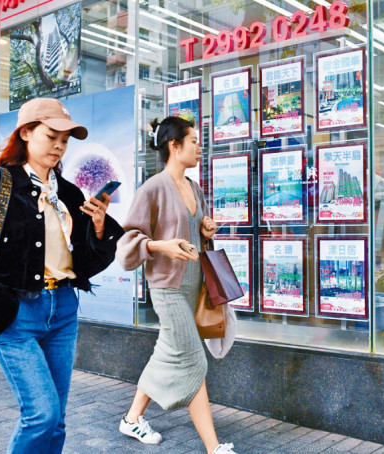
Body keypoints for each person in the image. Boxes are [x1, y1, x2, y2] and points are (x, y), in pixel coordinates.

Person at [0, 97, 124, 454]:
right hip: (17, 314)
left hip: (63, 310)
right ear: (26, 133)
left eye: (65, 140)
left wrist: (99, 226)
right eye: (51, 136)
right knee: (41, 415)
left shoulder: (69, 193)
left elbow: (85, 264)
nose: (59, 146)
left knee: (56, 419)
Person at [116, 116, 237, 454]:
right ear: (174, 145)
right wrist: (159, 246)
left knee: (167, 353)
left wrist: (205, 231)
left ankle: (131, 419)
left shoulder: (194, 187)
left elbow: (194, 235)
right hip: (167, 289)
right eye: (194, 141)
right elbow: (127, 243)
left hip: (194, 287)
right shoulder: (153, 188)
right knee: (193, 360)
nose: (200, 147)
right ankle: (214, 447)